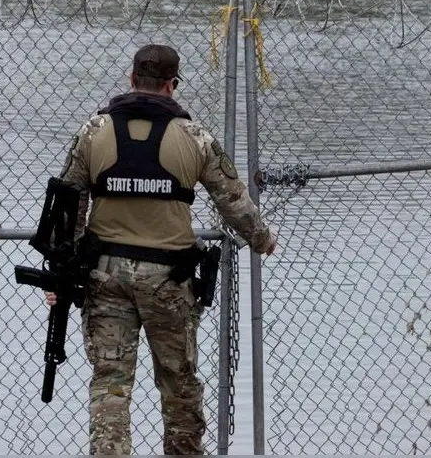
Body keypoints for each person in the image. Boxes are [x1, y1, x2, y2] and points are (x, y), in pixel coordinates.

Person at [43, 43, 277, 455]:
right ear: (172, 85)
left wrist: (62, 272)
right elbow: (233, 200)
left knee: (111, 383)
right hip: (169, 280)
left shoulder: (94, 132)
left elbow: (68, 205)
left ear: (131, 79)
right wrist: (262, 239)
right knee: (178, 382)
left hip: (104, 274)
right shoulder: (194, 136)